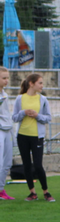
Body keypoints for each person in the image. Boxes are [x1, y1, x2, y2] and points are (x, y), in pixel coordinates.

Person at [12, 73, 54, 202]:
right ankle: (32, 193)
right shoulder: (20, 99)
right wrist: (23, 113)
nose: (42, 85)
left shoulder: (43, 99)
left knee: (37, 165)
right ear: (31, 83)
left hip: (37, 137)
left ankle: (46, 192)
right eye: (40, 83)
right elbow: (14, 117)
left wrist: (37, 116)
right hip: (22, 136)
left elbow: (48, 118)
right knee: (26, 165)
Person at [0, 67, 13, 200]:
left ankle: (1, 189)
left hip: (8, 129)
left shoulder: (5, 94)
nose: (6, 81)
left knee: (7, 162)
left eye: (7, 78)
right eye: (3, 78)